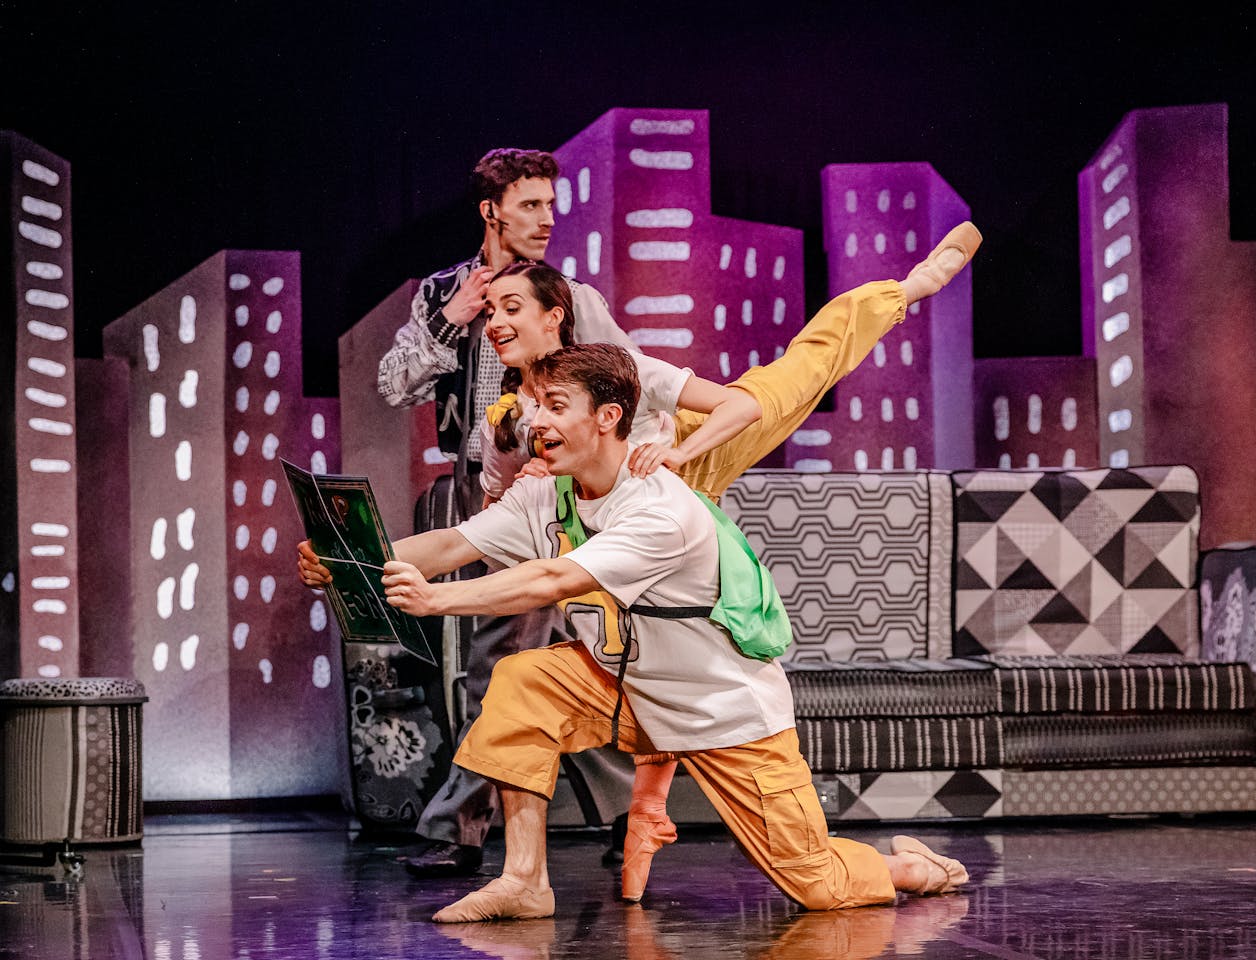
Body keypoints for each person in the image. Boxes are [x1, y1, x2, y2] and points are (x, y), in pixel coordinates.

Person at [297, 342, 971, 922]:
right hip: (624, 689)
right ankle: (525, 880)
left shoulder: (661, 511)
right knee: (523, 681)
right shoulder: (547, 493)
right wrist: (342, 560)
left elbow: (552, 581)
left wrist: (436, 604)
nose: (537, 421)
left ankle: (910, 868)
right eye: (536, 405)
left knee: (817, 886)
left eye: (556, 405)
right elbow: (451, 542)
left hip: (721, 708)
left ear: (608, 416)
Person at [473, 223, 982, 898]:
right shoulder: (509, 413)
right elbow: (497, 504)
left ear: (553, 317)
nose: (498, 322)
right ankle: (627, 820)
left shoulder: (617, 371)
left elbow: (735, 405)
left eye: (513, 308)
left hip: (683, 465)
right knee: (635, 642)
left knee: (789, 379)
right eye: (491, 312)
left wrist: (683, 454)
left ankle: (906, 288)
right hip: (614, 527)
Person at [377, 147, 637, 877]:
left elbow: (629, 379)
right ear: (491, 211)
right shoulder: (442, 294)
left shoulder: (570, 296)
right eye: (530, 205)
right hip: (472, 484)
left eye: (551, 206)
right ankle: (624, 808)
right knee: (516, 661)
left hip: (551, 486)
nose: (547, 220)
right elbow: (394, 387)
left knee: (507, 663)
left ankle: (458, 826)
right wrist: (450, 321)